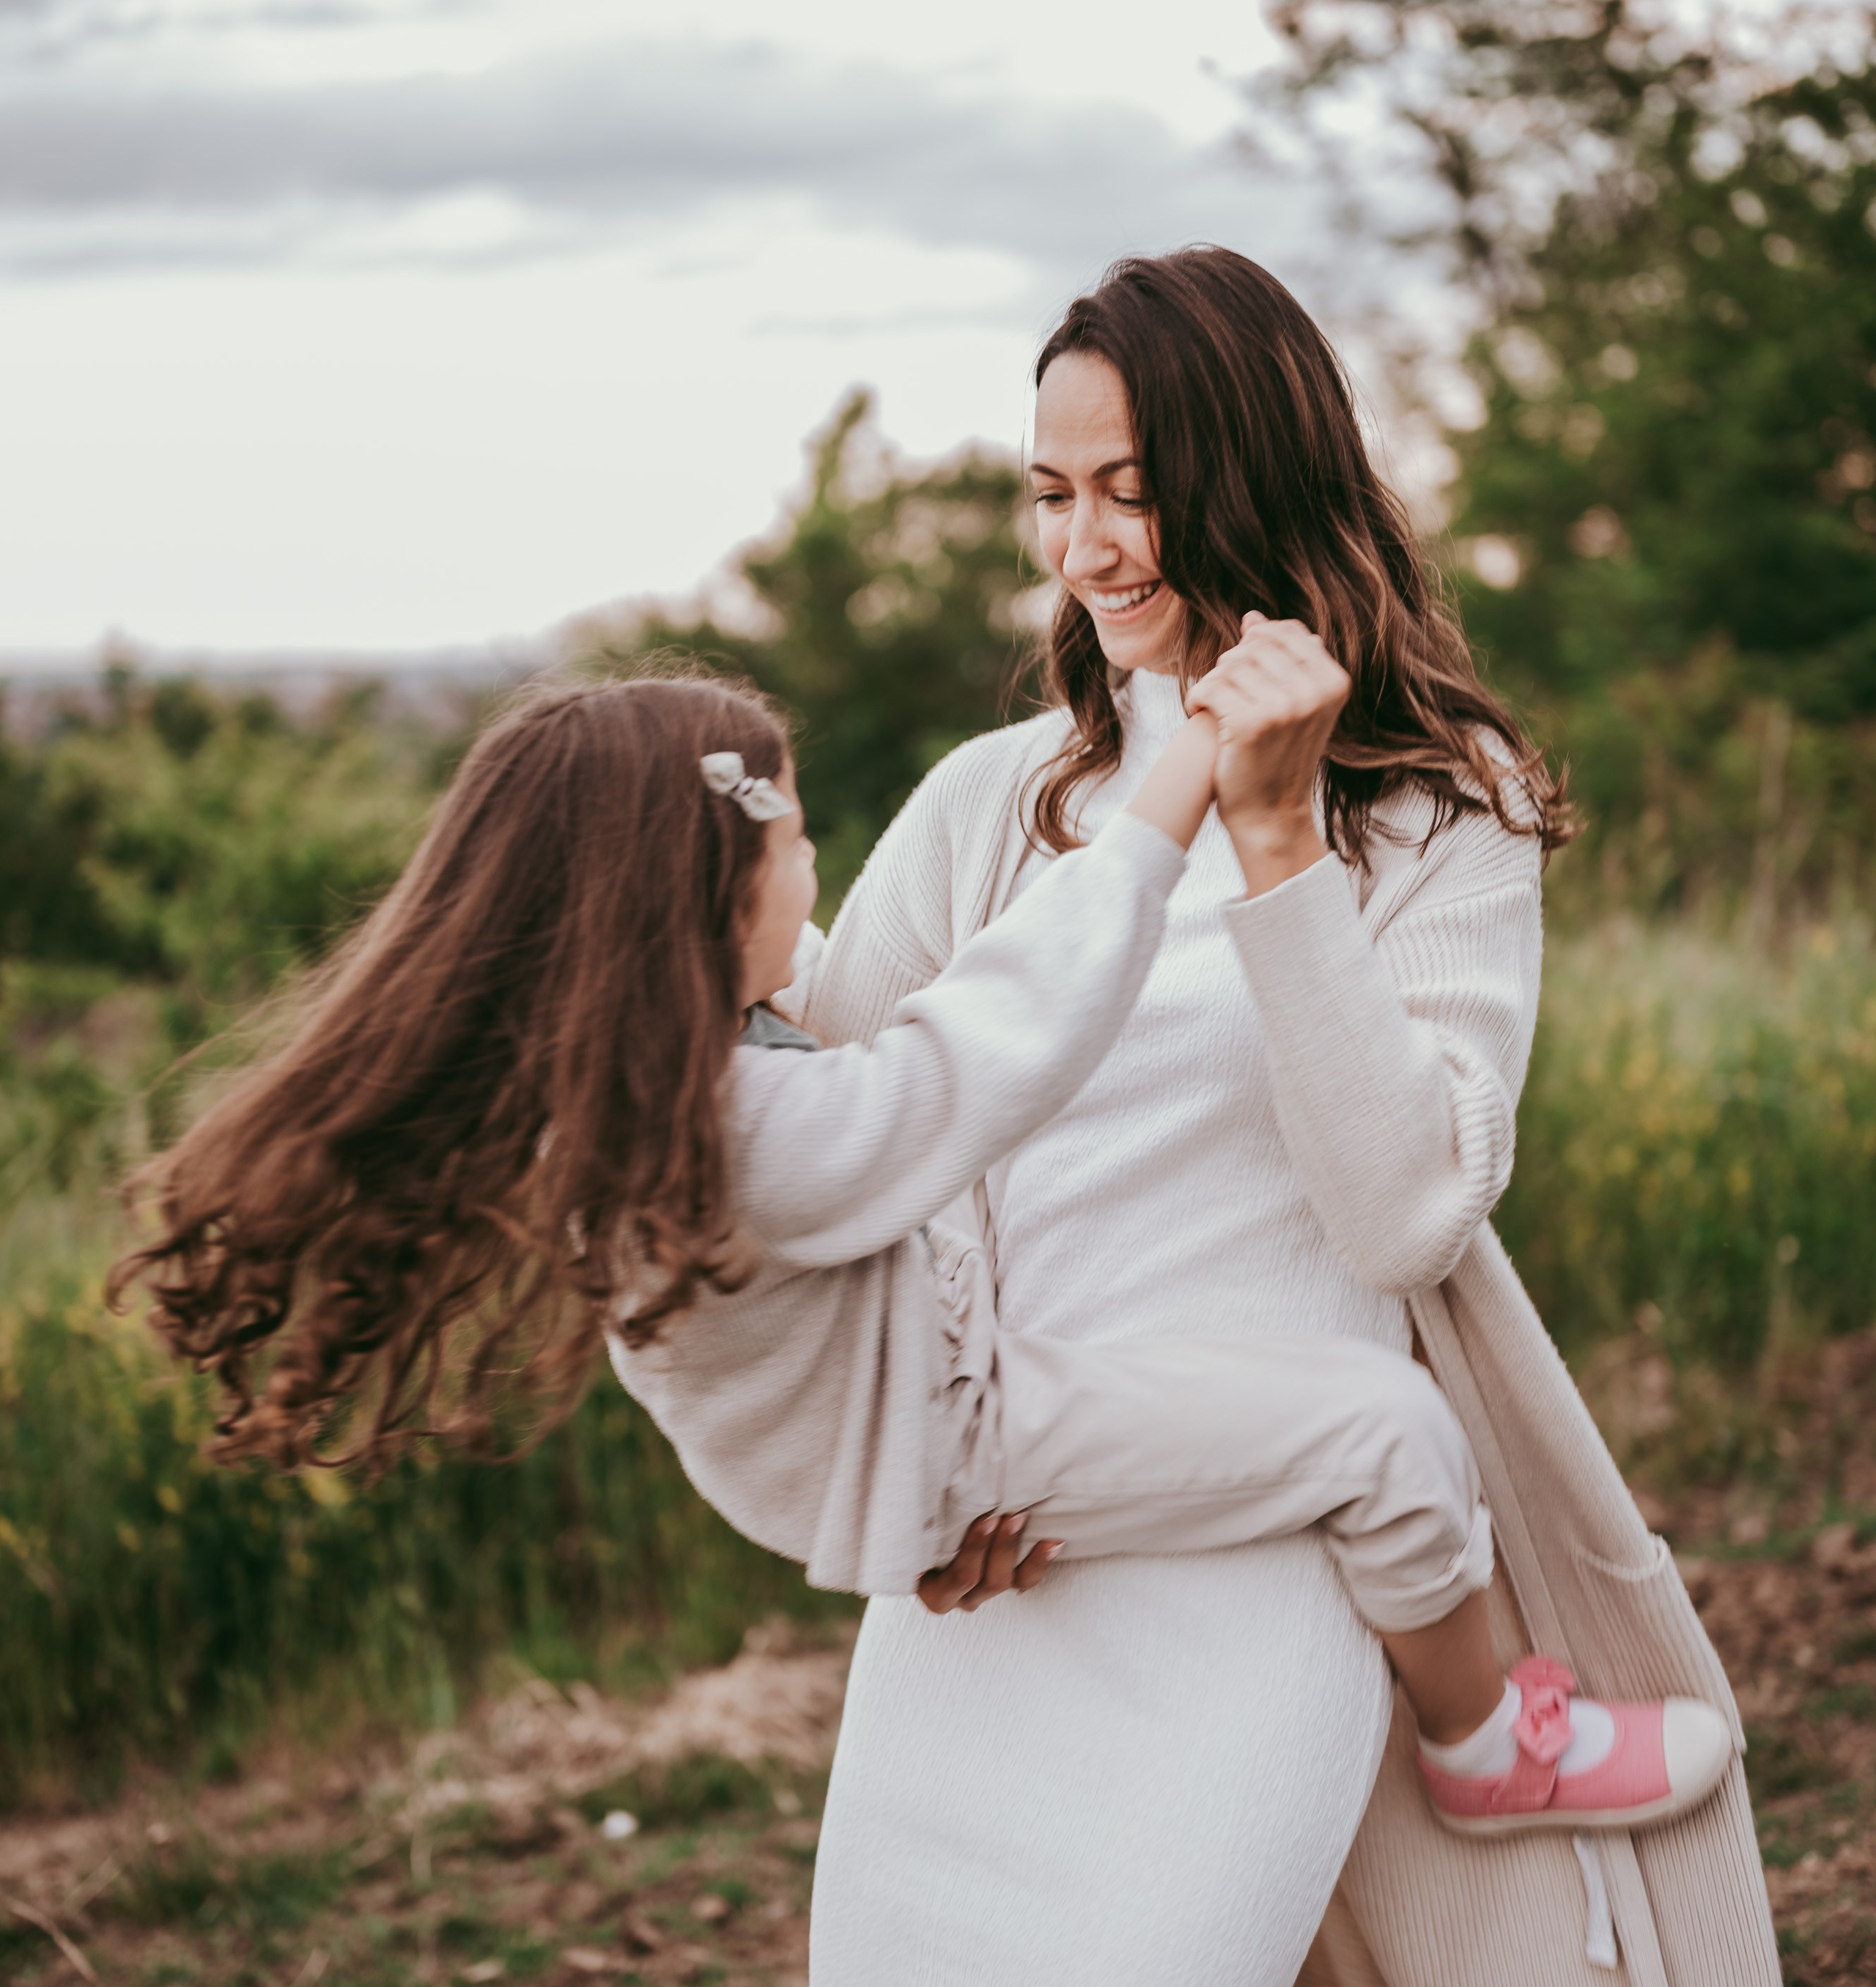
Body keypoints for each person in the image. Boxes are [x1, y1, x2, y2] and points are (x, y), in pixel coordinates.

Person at [793, 249, 1832, 1987]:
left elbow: (1400, 1211)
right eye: (1048, 493)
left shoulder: (1435, 814)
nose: (1082, 550)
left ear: (1252, 480)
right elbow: (838, 1136)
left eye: (1132, 490)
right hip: (990, 1566)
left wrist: (1273, 846)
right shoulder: (998, 805)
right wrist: (884, 1470)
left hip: (1263, 1584)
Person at [110, 663, 1724, 1868]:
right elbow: (967, 1051)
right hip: (950, 1434)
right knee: (1385, 1437)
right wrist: (1161, 805)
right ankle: (1486, 1737)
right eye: (794, 841)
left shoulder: (640, 1071)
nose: (816, 871)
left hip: (909, 1404)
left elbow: (826, 993)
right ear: (705, 898)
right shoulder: (747, 1136)